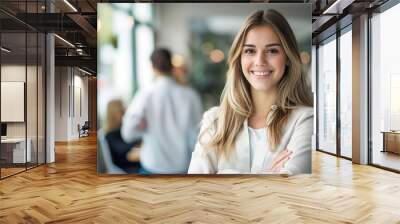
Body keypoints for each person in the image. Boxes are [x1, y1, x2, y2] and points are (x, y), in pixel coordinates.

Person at [188, 9, 313, 175]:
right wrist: (269, 176)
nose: (260, 61)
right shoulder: (215, 120)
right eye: (249, 51)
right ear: (239, 59)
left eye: (272, 50)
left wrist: (222, 175)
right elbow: (195, 189)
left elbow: (292, 191)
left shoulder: (305, 120)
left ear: (288, 57)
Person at [121, 48, 203, 174]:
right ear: (171, 66)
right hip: (183, 167)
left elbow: (128, 133)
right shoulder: (190, 96)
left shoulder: (145, 94)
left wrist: (142, 128)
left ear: (152, 67)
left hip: (152, 166)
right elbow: (197, 136)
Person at [104, 99, 141, 173]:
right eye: (122, 112)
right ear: (114, 115)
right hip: (125, 168)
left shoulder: (122, 129)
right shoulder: (109, 134)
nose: (125, 115)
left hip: (134, 163)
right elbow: (123, 150)